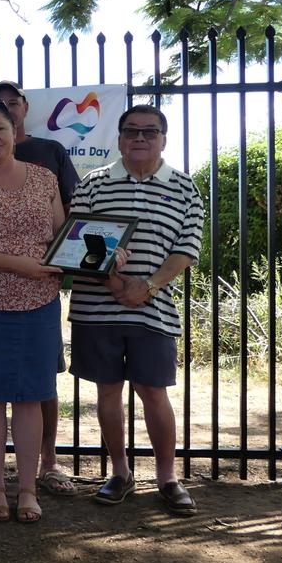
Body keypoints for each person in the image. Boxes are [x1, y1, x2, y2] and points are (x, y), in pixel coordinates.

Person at [68, 104, 203, 517]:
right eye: (131, 131)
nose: (140, 138)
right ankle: (120, 473)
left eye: (149, 131)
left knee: (153, 394)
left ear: (164, 138)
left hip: (154, 309)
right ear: (120, 138)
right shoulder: (93, 183)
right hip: (97, 309)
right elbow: (75, 242)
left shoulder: (185, 188)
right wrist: (114, 283)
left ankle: (167, 478)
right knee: (107, 393)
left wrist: (147, 286)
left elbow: (186, 249)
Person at [0, 80, 81, 497]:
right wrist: (18, 266)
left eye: (0, 129)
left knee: (32, 398)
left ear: (15, 131)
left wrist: (100, 252)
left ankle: (26, 489)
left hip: (40, 303)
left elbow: (63, 235)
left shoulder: (45, 178)